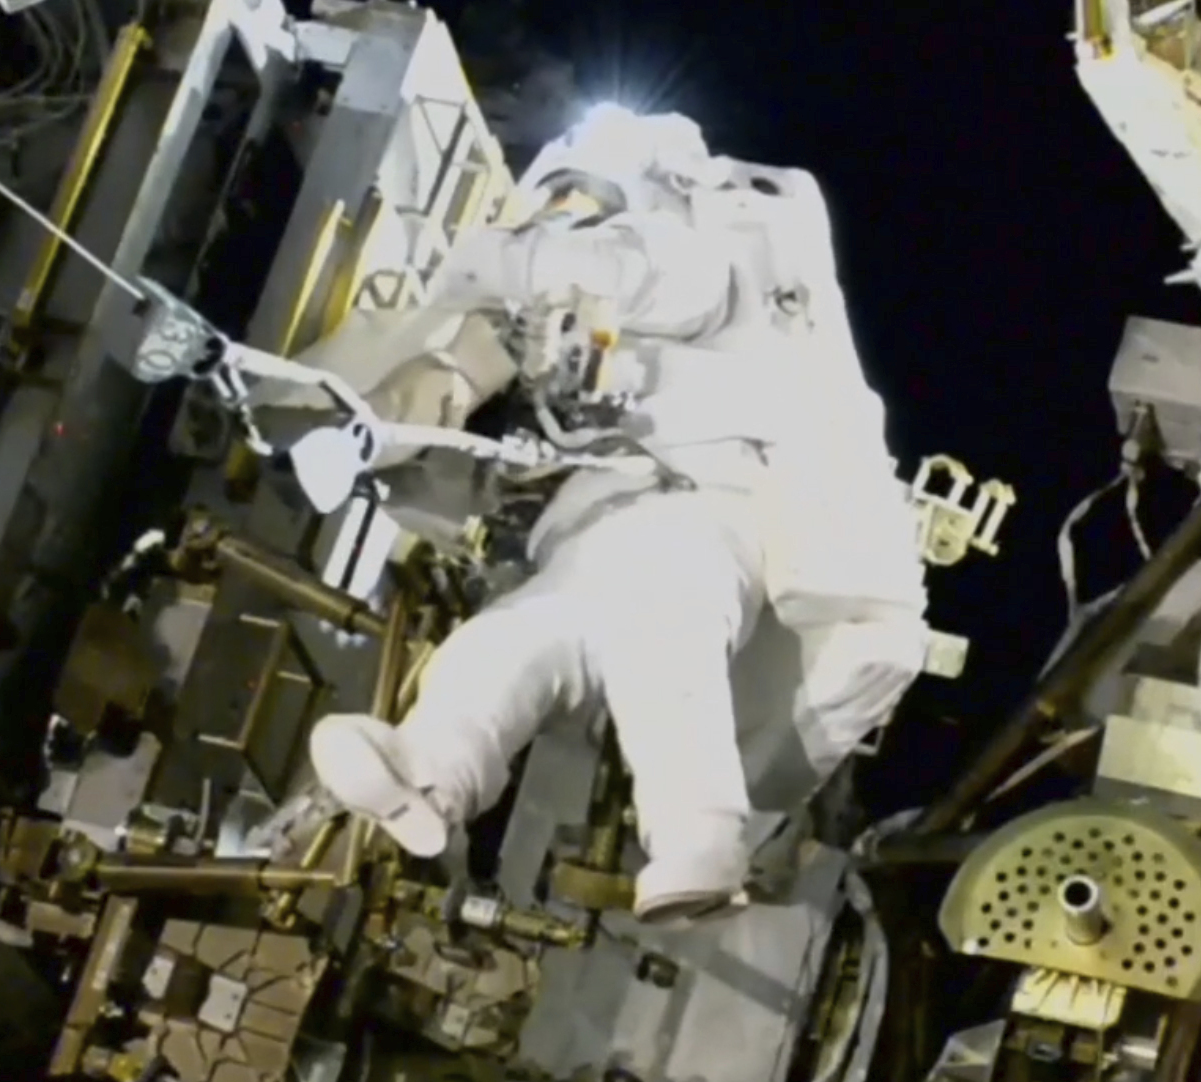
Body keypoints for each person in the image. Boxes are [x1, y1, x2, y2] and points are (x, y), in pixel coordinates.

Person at [307, 104, 932, 924]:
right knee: (511, 642)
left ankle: (700, 841)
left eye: (579, 198)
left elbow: (638, 279)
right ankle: (430, 771)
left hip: (706, 509)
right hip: (595, 531)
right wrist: (365, 426)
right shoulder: (545, 297)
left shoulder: (697, 250)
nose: (563, 214)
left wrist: (510, 259)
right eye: (557, 201)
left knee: (659, 644)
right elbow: (453, 375)